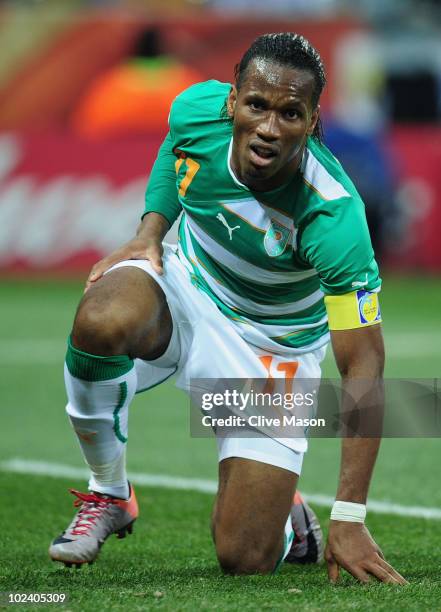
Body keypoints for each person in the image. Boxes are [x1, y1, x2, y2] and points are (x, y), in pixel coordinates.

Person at [49, 32, 406, 584]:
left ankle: (293, 520)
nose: (268, 127)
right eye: (257, 105)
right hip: (186, 286)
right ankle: (109, 492)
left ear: (312, 123)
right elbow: (177, 145)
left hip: (273, 351)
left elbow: (362, 365)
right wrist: (150, 231)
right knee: (102, 316)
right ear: (232, 100)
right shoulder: (196, 108)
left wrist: (351, 515)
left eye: (291, 113)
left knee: (244, 558)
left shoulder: (335, 216)